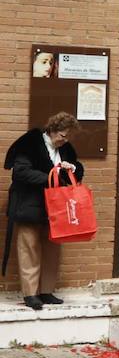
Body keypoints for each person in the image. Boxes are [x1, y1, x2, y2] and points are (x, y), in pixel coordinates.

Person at [4, 112, 83, 310]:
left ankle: (46, 291)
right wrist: (52, 176)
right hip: (29, 204)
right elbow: (21, 172)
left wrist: (71, 168)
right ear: (52, 130)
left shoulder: (65, 148)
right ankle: (31, 294)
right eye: (62, 136)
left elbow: (78, 169)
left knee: (52, 250)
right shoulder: (30, 143)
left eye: (68, 137)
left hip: (55, 208)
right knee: (29, 248)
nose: (65, 141)